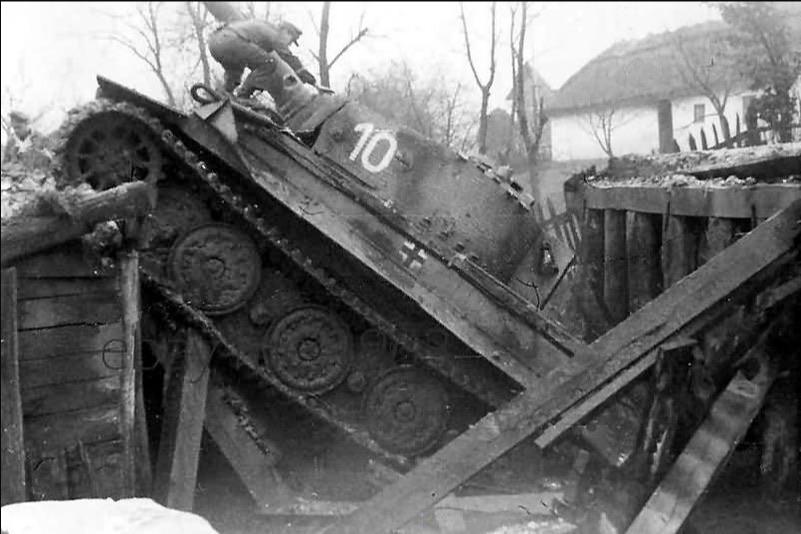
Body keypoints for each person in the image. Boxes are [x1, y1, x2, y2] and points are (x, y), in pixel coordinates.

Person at [207, 18, 317, 99]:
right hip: (230, 40)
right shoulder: (274, 32)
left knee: (235, 73)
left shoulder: (262, 27)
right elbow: (287, 56)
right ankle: (243, 96)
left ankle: (219, 96)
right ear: (286, 32)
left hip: (215, 43)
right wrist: (313, 82)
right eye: (291, 41)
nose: (289, 45)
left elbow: (256, 57)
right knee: (269, 63)